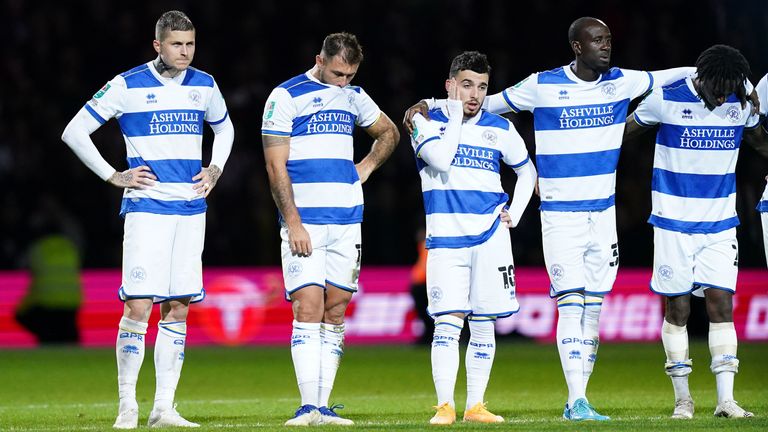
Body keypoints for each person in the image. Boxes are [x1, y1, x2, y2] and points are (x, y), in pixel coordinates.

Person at [406, 17, 695, 421]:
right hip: (559, 216)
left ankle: (575, 398)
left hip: (603, 215)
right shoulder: (540, 85)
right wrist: (432, 105)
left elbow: (666, 76)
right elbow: (483, 103)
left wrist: (710, 70)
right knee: (569, 306)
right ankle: (571, 400)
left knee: (591, 309)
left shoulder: (622, 82)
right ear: (577, 46)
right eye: (597, 39)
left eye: (609, 39)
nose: (606, 46)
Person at [61, 10, 234, 429]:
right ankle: (127, 407)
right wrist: (113, 175)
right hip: (148, 208)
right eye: (177, 44)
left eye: (190, 44)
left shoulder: (205, 84)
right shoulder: (126, 85)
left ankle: (164, 408)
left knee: (179, 306)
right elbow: (74, 131)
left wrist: (215, 168)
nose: (185, 52)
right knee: (138, 307)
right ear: (157, 45)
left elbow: (225, 129)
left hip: (191, 209)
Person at [261, 32, 399, 426]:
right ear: (318, 59)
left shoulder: (354, 96)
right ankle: (306, 406)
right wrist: (293, 222)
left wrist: (365, 168)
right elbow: (275, 167)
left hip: (347, 221)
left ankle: (323, 407)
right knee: (308, 307)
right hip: (305, 223)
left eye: (350, 75)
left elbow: (388, 133)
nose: (343, 82)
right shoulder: (285, 97)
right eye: (338, 73)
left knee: (336, 311)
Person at [624, 44, 765, 419]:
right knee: (679, 308)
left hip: (720, 223)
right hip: (672, 224)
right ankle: (683, 399)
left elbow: (758, 141)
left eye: (728, 90)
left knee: (721, 305)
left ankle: (726, 400)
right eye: (714, 89)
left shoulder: (738, 95)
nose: (720, 97)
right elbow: (623, 135)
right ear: (700, 78)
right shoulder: (665, 99)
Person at [410, 51, 536, 425]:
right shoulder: (422, 121)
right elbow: (442, 161)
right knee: (447, 323)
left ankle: (476, 405)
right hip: (446, 238)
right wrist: (446, 113)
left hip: (491, 236)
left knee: (483, 322)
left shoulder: (500, 128)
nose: (475, 94)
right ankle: (445, 405)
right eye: (466, 85)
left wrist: (517, 211)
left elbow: (526, 172)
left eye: (481, 87)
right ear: (450, 85)